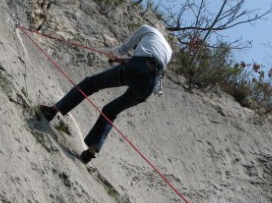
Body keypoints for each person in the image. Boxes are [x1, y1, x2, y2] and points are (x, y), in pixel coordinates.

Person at [40, 24, 173, 164]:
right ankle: (90, 153)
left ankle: (52, 111)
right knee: (110, 111)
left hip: (138, 67)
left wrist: (112, 53)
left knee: (90, 84)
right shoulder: (168, 51)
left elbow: (125, 48)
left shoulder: (147, 29)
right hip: (150, 85)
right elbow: (152, 68)